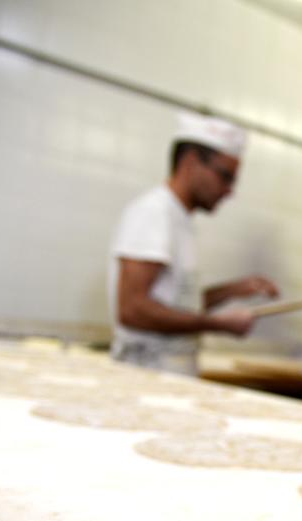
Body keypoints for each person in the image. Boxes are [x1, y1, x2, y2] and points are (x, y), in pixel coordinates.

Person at [107, 113, 279, 374]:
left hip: (171, 372)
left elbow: (178, 304)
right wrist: (218, 324)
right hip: (145, 373)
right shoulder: (153, 213)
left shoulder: (180, 219)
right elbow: (133, 309)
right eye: (225, 176)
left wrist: (233, 290)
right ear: (190, 163)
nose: (229, 190)